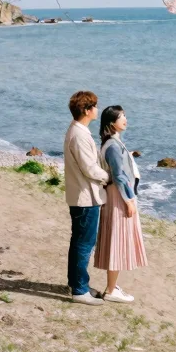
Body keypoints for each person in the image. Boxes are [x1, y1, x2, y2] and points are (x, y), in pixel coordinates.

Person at [93, 105, 147, 303]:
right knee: (116, 241)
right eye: (121, 117)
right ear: (111, 123)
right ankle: (110, 290)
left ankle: (111, 286)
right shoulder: (114, 146)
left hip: (115, 195)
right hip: (118, 196)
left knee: (114, 240)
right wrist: (129, 201)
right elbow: (119, 177)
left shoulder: (112, 143)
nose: (125, 119)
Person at [63, 90, 108, 305]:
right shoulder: (79, 134)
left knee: (79, 242)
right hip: (85, 197)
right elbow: (89, 168)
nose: (97, 110)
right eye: (95, 106)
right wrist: (108, 177)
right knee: (84, 243)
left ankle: (78, 283)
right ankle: (79, 290)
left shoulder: (77, 131)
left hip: (81, 195)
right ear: (88, 110)